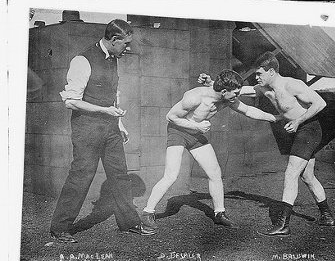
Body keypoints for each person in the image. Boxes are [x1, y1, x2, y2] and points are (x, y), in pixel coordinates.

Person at [199, 52, 335, 236]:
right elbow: (241, 90)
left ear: (271, 71)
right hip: (298, 131)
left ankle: (283, 224)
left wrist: (298, 121)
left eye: (259, 73)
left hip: (309, 129)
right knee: (308, 177)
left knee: (291, 173)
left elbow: (320, 103)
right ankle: (327, 216)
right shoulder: (265, 89)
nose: (256, 77)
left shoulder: (292, 85)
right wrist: (212, 83)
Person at [134, 69, 280, 235]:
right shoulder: (195, 97)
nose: (237, 96)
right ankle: (148, 212)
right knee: (171, 175)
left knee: (215, 173)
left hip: (196, 134)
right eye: (235, 93)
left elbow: (248, 110)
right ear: (224, 91)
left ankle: (219, 213)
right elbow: (171, 117)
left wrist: (277, 118)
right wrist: (196, 126)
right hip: (178, 132)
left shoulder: (227, 99)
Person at [50, 19, 144, 243]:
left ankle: (129, 223)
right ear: (113, 40)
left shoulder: (113, 58)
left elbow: (113, 95)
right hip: (87, 128)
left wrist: (119, 124)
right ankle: (59, 227)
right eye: (125, 44)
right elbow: (71, 101)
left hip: (110, 128)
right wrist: (104, 111)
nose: (128, 49)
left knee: (120, 175)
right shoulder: (82, 60)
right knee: (81, 175)